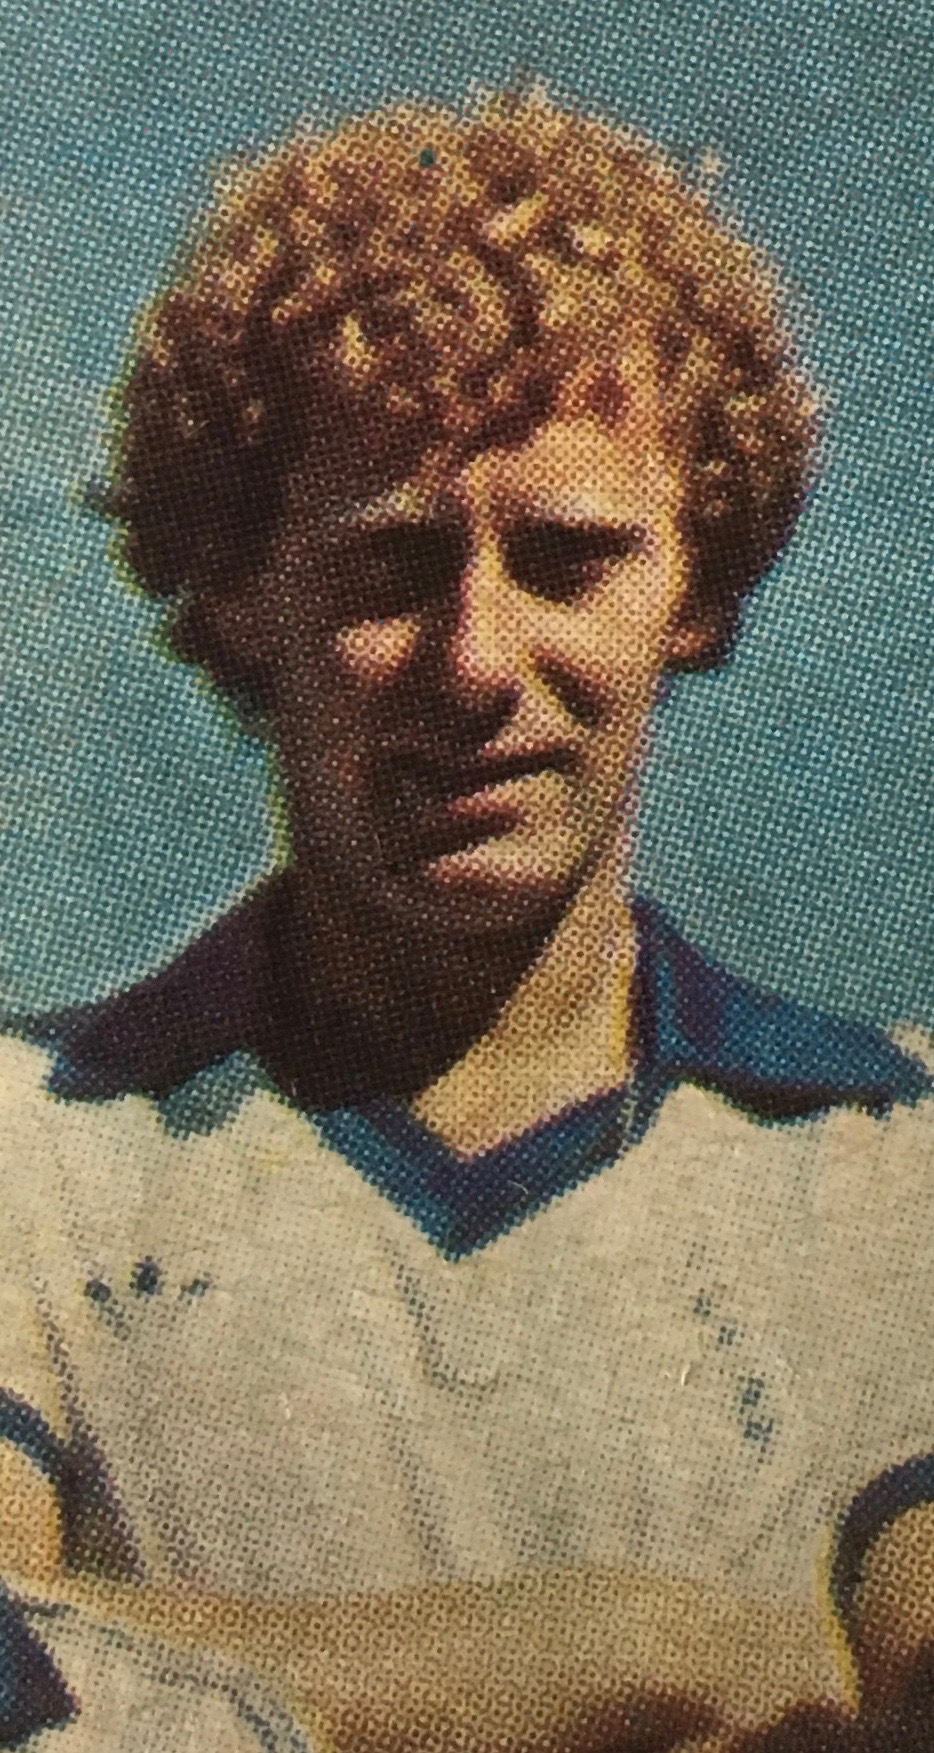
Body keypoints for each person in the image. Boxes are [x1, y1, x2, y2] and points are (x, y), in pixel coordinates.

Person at [1, 87, 932, 1750]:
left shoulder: (885, 1160)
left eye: (566, 561)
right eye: (387, 566)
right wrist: (624, 1647)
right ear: (238, 591)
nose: (477, 662)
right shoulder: (35, 1151)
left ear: (697, 585)